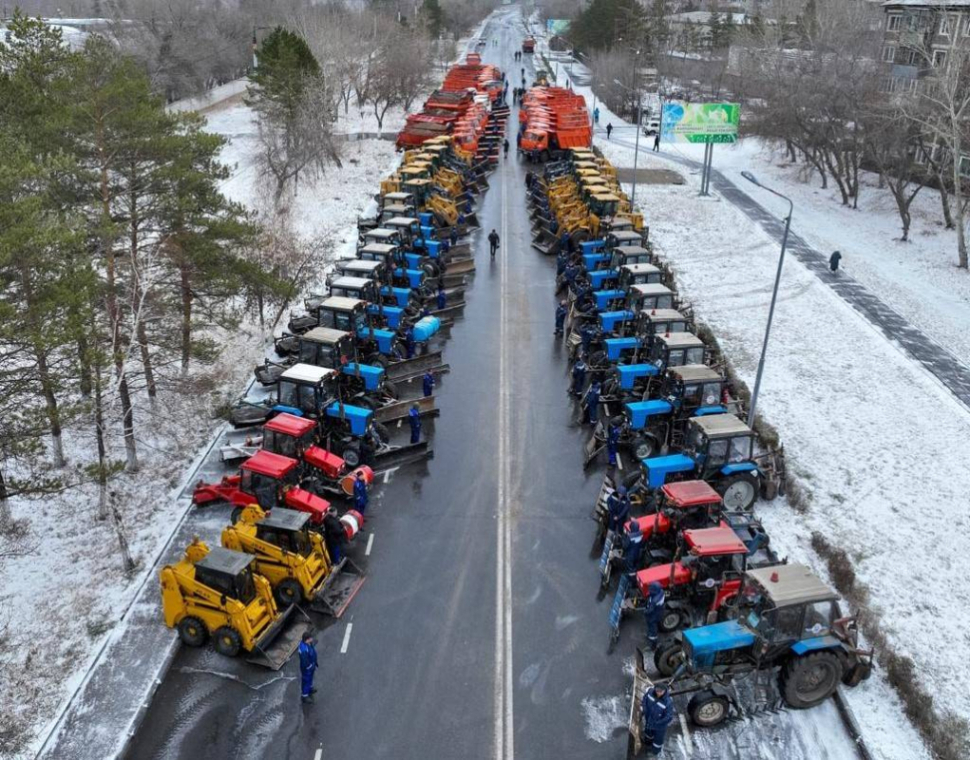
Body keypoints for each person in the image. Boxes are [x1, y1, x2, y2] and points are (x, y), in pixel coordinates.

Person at [641, 683, 675, 756]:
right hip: (649, 719)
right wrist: (644, 709)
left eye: (661, 691)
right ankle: (647, 741)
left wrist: (658, 722)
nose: (658, 693)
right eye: (657, 690)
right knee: (648, 731)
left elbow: (669, 717)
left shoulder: (668, 702)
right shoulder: (650, 692)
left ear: (665, 691)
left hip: (659, 725)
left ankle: (655, 752)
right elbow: (644, 699)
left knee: (658, 740)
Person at [643, 581, 666, 650]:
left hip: (653, 615)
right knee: (653, 626)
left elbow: (650, 610)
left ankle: (653, 645)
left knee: (652, 627)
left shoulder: (654, 601)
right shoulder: (661, 592)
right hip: (659, 612)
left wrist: (645, 611)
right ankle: (650, 636)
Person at [298, 632, 318, 704]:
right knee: (306, 680)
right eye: (310, 638)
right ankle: (304, 696)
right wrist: (310, 667)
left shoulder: (308, 644)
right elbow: (304, 662)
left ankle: (310, 689)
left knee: (310, 679)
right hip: (307, 669)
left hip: (311, 666)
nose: (312, 639)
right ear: (307, 639)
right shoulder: (303, 650)